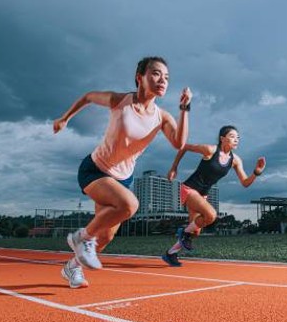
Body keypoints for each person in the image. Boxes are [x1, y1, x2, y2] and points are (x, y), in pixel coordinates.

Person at [54, 56, 191, 288]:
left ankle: (72, 268)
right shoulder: (120, 101)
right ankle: (80, 237)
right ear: (140, 77)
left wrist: (184, 108)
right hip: (95, 170)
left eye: (167, 77)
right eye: (156, 74)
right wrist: (65, 118)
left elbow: (179, 143)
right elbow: (88, 96)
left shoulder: (162, 117)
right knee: (129, 205)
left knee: (106, 237)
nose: (163, 80)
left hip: (122, 179)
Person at [161, 125, 265, 267]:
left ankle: (170, 253)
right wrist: (174, 168)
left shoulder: (235, 160)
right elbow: (184, 147)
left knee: (195, 232)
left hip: (202, 195)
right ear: (222, 139)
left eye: (238, 137)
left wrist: (256, 172)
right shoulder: (210, 150)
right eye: (232, 136)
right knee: (211, 215)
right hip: (189, 189)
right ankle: (183, 233)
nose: (236, 140)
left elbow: (245, 183)